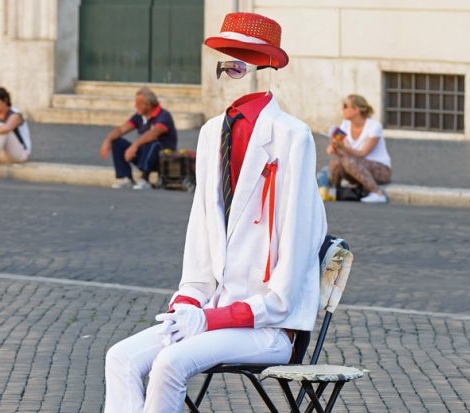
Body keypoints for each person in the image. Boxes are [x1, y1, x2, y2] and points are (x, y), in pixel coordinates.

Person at [104, 12, 327, 412]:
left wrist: (210, 320)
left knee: (170, 363)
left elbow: (287, 285)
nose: (227, 73)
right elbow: (201, 238)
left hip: (270, 327)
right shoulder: (211, 134)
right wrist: (188, 304)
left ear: (267, 69)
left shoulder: (293, 137)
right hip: (211, 313)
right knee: (119, 357)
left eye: (239, 62)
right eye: (223, 61)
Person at [99, 87, 177, 190]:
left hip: (162, 159)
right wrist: (107, 140)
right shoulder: (140, 116)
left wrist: (134, 146)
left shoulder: (164, 116)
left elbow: (153, 133)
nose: (135, 106)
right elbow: (121, 130)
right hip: (144, 155)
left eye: (138, 103)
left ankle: (144, 179)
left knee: (153, 143)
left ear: (147, 105)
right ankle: (127, 178)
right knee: (117, 142)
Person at [326, 94, 392, 203]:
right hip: (355, 167)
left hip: (380, 169)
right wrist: (334, 147)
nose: (342, 109)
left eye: (345, 106)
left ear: (356, 109)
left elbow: (363, 153)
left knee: (348, 161)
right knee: (335, 163)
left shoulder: (374, 126)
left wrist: (343, 147)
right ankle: (334, 192)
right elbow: (331, 148)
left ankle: (377, 193)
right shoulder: (344, 125)